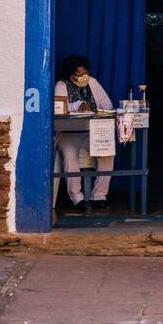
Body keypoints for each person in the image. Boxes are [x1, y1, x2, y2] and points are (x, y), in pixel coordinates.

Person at [54, 54, 115, 211]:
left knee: (107, 153)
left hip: (91, 132)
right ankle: (77, 198)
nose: (84, 77)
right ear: (71, 76)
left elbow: (107, 104)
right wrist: (78, 105)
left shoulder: (93, 82)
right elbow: (60, 107)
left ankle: (99, 195)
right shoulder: (61, 85)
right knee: (70, 156)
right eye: (80, 75)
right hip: (68, 134)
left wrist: (98, 112)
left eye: (85, 73)